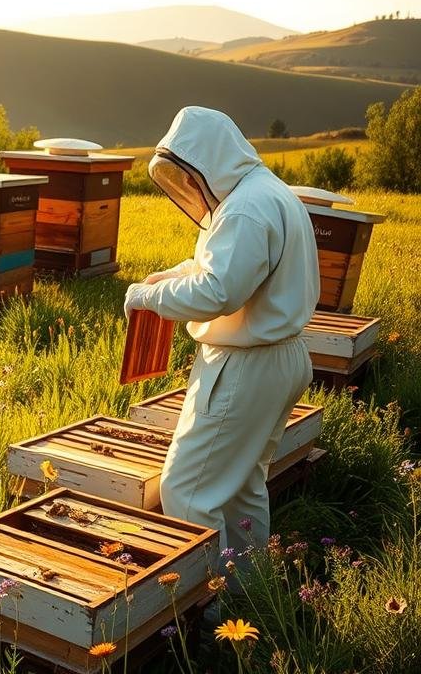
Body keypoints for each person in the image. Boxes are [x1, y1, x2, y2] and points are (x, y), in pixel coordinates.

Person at [123, 106, 319, 569]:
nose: (190, 189)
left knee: (186, 489)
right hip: (282, 358)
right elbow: (229, 269)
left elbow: (219, 292)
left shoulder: (246, 209)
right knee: (243, 484)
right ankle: (246, 591)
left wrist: (147, 299)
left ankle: (207, 606)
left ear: (207, 159)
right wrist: (168, 278)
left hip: (244, 367)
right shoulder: (267, 193)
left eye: (190, 177)